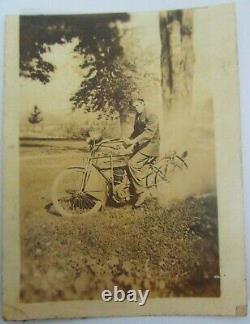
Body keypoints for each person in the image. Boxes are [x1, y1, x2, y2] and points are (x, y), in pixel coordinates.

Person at [124, 99, 160, 207]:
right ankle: (131, 191)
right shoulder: (138, 116)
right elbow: (136, 132)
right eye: (134, 106)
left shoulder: (152, 115)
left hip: (151, 146)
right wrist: (128, 140)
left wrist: (133, 141)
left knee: (132, 164)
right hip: (142, 145)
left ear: (143, 104)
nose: (136, 108)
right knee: (124, 161)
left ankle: (141, 192)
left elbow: (148, 133)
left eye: (138, 105)